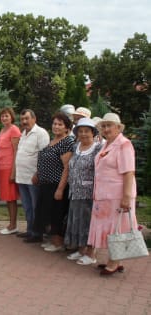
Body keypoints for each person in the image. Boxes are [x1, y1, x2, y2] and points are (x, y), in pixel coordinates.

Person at [87, 113, 138, 276]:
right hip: (104, 195)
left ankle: (114, 262)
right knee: (112, 229)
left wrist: (126, 197)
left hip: (118, 195)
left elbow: (129, 172)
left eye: (110, 125)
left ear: (118, 127)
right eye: (104, 126)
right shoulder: (106, 144)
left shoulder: (124, 144)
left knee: (118, 229)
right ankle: (116, 259)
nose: (106, 129)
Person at [27, 112, 74, 251]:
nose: (56, 126)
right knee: (47, 213)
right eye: (54, 123)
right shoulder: (53, 141)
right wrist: (37, 174)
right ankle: (53, 240)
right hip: (45, 184)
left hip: (57, 184)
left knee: (56, 214)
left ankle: (58, 243)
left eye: (60, 124)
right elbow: (47, 160)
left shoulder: (67, 142)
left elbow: (67, 168)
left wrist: (60, 189)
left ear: (66, 128)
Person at [65, 118, 102, 265]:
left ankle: (91, 253)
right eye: (80, 131)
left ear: (93, 133)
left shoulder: (98, 148)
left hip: (89, 192)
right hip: (74, 191)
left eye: (87, 131)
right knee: (76, 220)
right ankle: (81, 250)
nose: (84, 134)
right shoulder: (76, 146)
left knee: (88, 222)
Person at [15, 109, 50, 240]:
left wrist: (38, 173)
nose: (24, 121)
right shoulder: (23, 133)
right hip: (22, 177)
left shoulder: (41, 133)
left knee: (36, 207)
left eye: (27, 119)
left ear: (34, 119)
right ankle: (30, 229)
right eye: (22, 119)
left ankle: (37, 233)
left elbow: (45, 156)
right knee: (27, 206)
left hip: (33, 177)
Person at [0, 108, 21, 235]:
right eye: (2, 116)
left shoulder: (14, 130)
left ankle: (13, 225)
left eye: (6, 116)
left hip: (9, 167)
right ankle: (12, 224)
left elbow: (16, 150)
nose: (4, 118)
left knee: (11, 198)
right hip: (2, 168)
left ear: (11, 117)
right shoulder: (2, 130)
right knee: (7, 198)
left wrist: (13, 172)